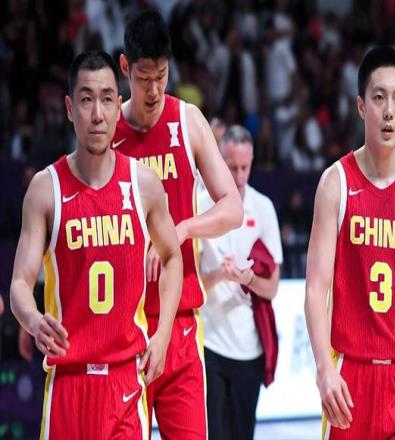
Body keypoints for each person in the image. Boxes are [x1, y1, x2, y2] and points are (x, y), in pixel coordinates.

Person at [9, 51, 183, 439]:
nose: (98, 114)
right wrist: (33, 320)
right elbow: (20, 281)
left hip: (125, 383)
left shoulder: (144, 184)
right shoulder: (45, 189)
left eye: (106, 99)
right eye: (87, 99)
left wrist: (164, 333)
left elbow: (173, 256)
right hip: (68, 382)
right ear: (70, 108)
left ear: (119, 107)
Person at [304, 46, 395, 440]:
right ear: (361, 106)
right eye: (379, 98)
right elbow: (315, 288)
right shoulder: (334, 184)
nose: (389, 110)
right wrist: (324, 369)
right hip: (349, 380)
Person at [113, 11, 243, 439]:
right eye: (143, 78)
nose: (153, 90)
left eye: (161, 77)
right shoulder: (107, 130)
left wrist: (182, 229)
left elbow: (232, 207)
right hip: (125, 325)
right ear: (125, 67)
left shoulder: (188, 120)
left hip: (182, 324)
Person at [198, 125, 283, 440]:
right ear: (219, 161)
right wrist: (218, 275)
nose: (239, 176)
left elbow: (272, 288)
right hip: (209, 345)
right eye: (232, 167)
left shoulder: (263, 208)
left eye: (244, 167)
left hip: (250, 348)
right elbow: (187, 284)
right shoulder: (199, 205)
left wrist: (247, 278)